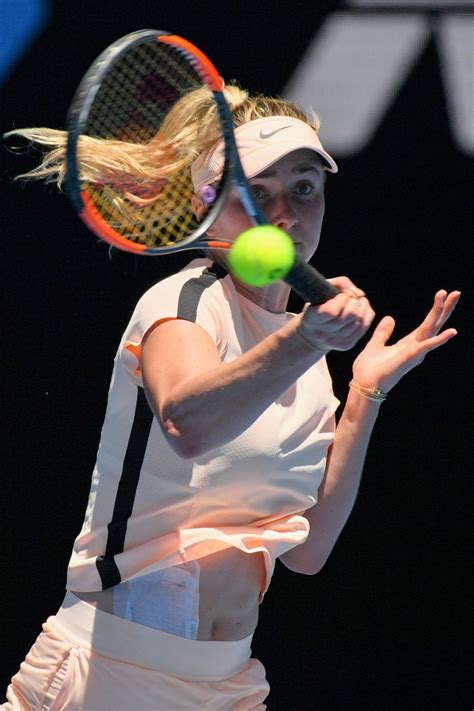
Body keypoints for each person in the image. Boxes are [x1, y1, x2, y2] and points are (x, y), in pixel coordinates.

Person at [3, 83, 460, 710]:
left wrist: (364, 392)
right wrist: (304, 342)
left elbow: (309, 550)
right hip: (109, 675)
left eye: (304, 188)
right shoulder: (184, 302)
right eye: (257, 193)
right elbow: (187, 423)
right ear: (208, 206)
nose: (285, 216)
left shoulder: (306, 354)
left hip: (225, 685)